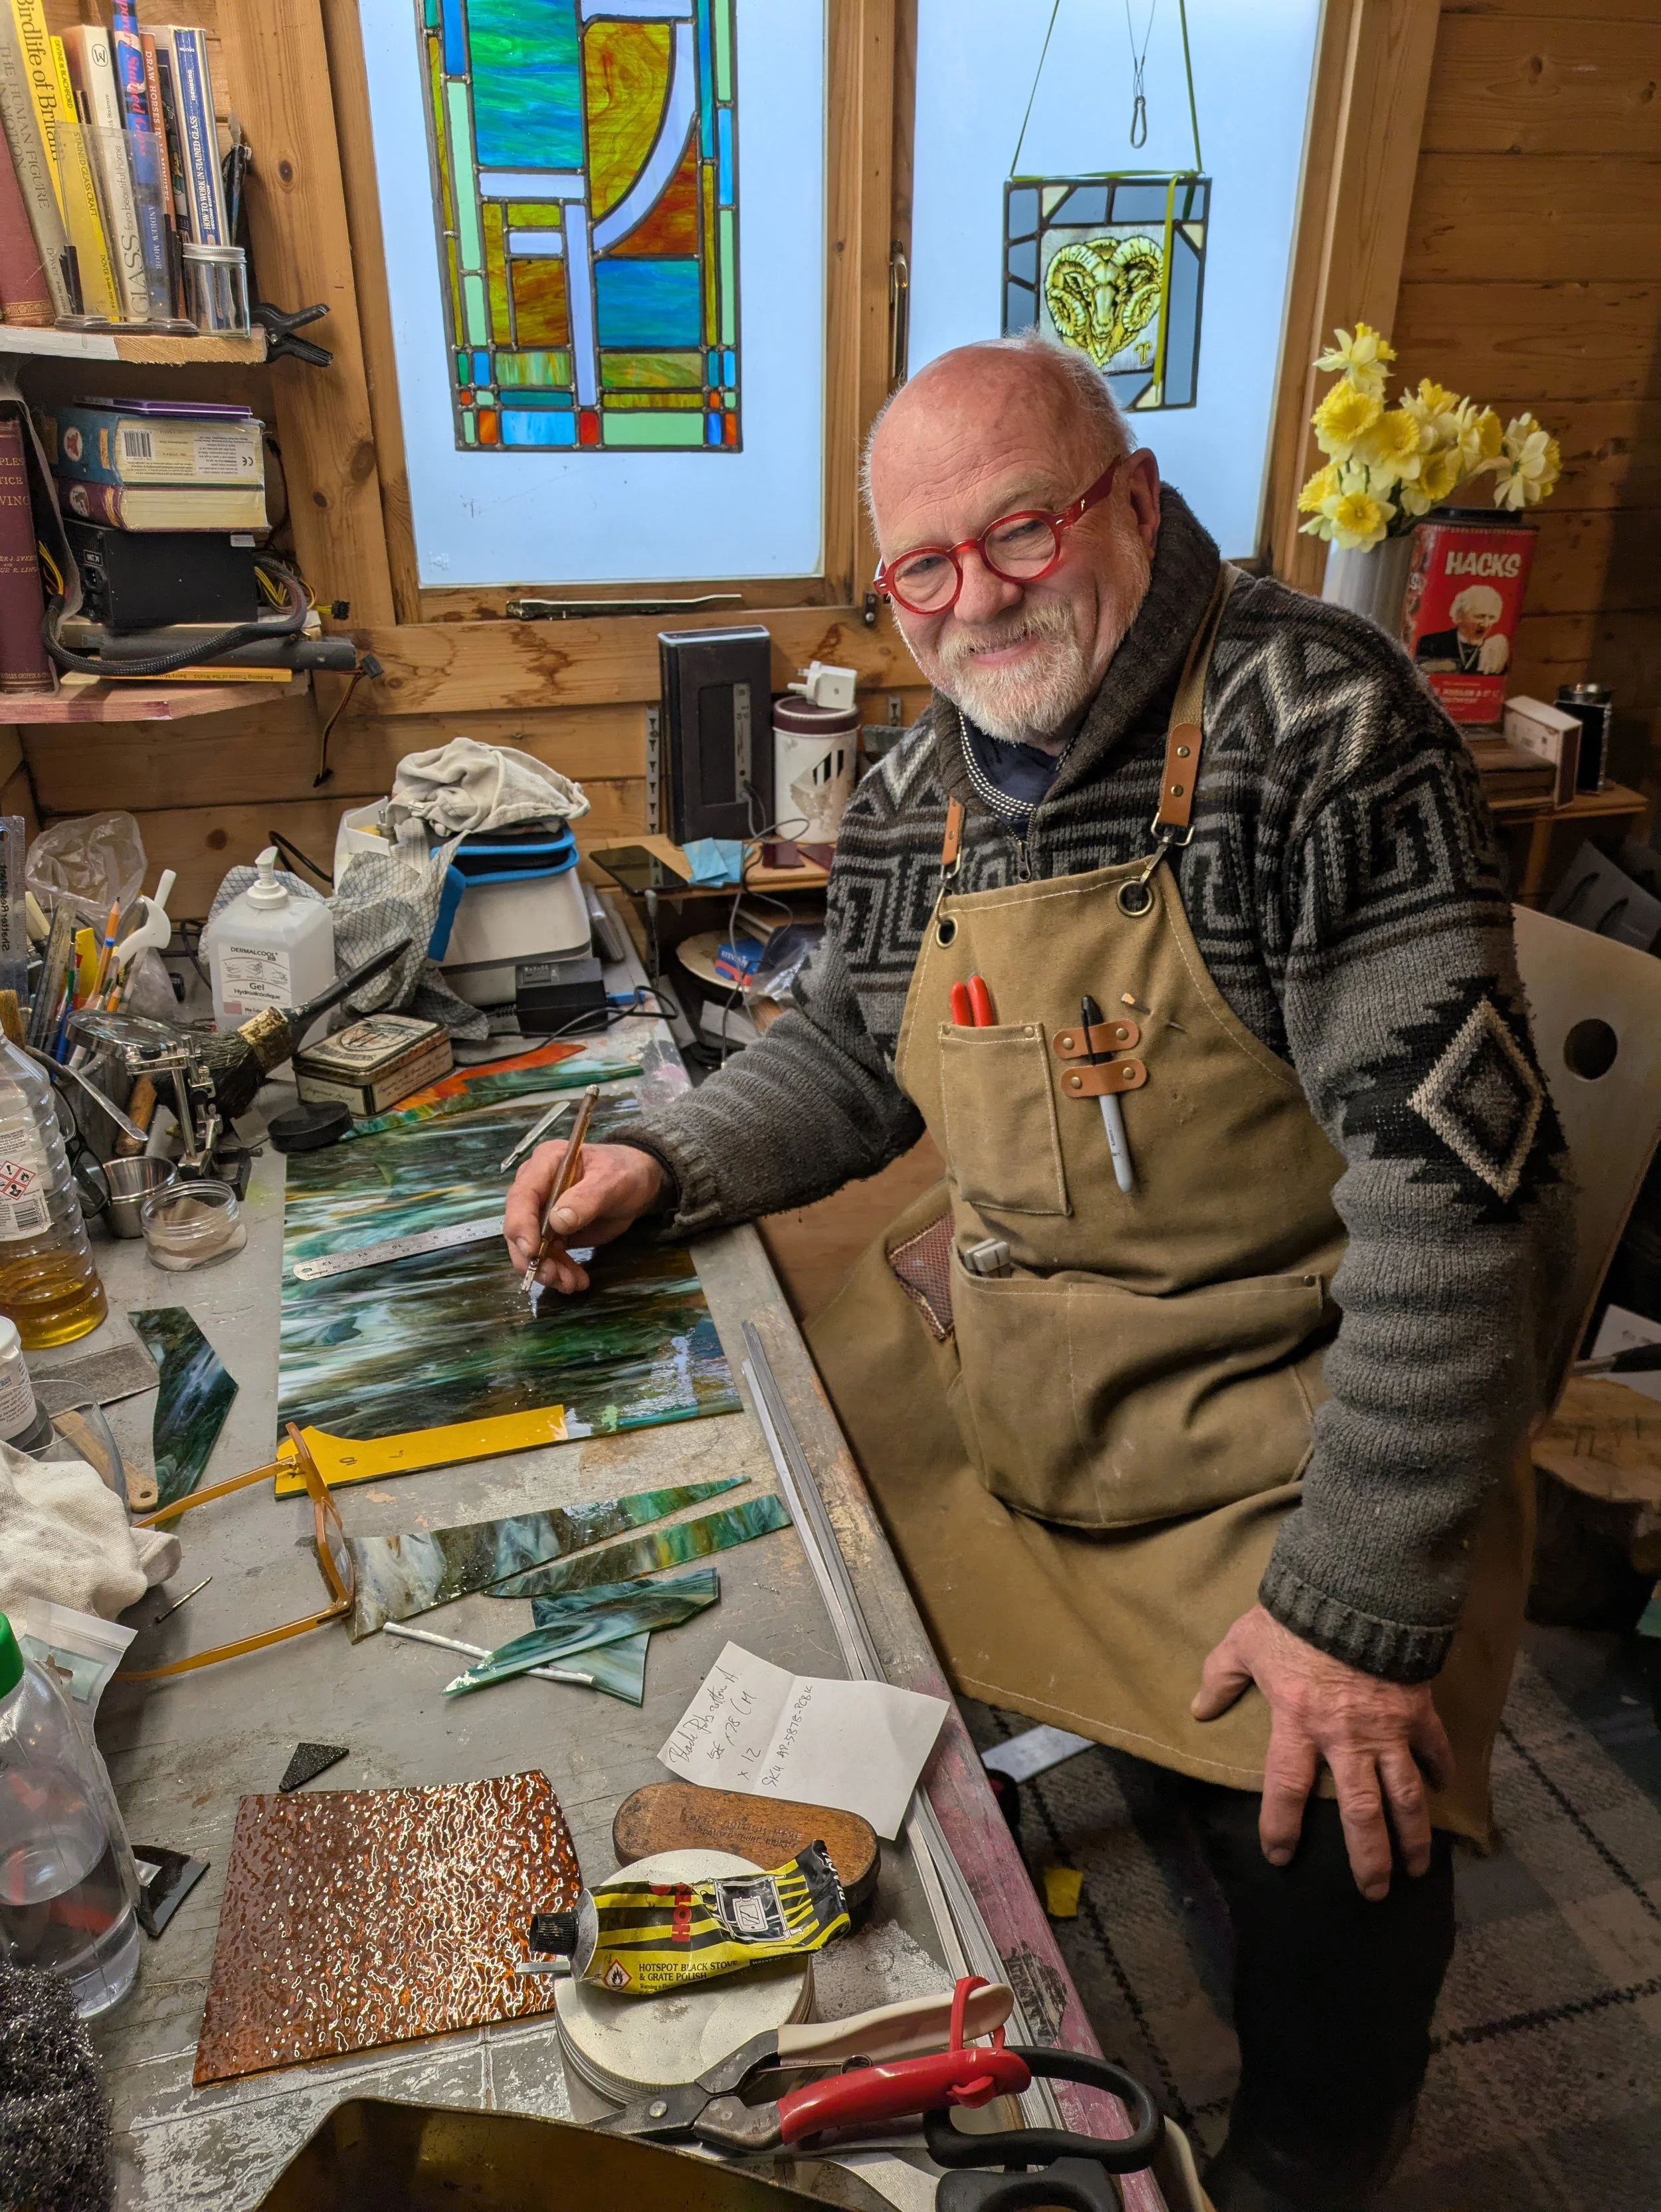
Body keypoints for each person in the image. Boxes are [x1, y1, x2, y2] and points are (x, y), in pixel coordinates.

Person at [506, 337, 1574, 2211]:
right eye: (923, 564)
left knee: (1339, 1777)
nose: (975, 593)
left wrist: (1351, 1605)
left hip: (1288, 1410)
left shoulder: (1318, 726)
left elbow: (1462, 1204)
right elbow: (841, 1053)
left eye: (1021, 528)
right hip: (1034, 1370)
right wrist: (652, 1159)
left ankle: (1321, 2141)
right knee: (763, 1537)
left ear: (1132, 500)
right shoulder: (925, 780)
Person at [1413, 581, 1510, 674]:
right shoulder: (1431, 643)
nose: (1486, 624)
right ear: (1460, 615)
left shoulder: (1495, 652)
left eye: (1492, 618)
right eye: (1480, 616)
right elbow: (1417, 672)